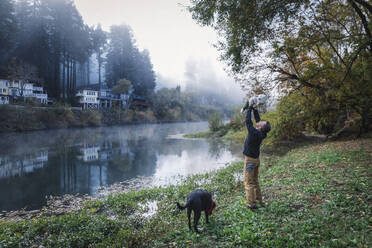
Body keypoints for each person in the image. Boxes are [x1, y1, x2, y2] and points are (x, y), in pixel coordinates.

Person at [241, 100, 271, 210]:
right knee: (255, 181)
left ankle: (252, 205)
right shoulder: (261, 132)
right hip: (256, 160)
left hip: (250, 161)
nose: (260, 121)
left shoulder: (254, 133)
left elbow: (248, 122)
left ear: (260, 127)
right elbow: (257, 120)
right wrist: (254, 108)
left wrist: (249, 108)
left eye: (262, 122)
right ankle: (259, 199)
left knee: (249, 183)